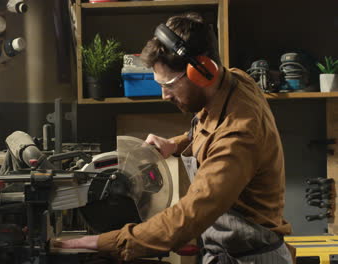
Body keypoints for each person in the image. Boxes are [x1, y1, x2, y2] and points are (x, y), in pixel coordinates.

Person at [59, 12, 294, 263]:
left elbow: (192, 213)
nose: (164, 95)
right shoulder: (233, 80)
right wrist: (176, 143)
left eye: (169, 84)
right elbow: (210, 127)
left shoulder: (238, 136)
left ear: (202, 73)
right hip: (230, 250)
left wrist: (102, 242)